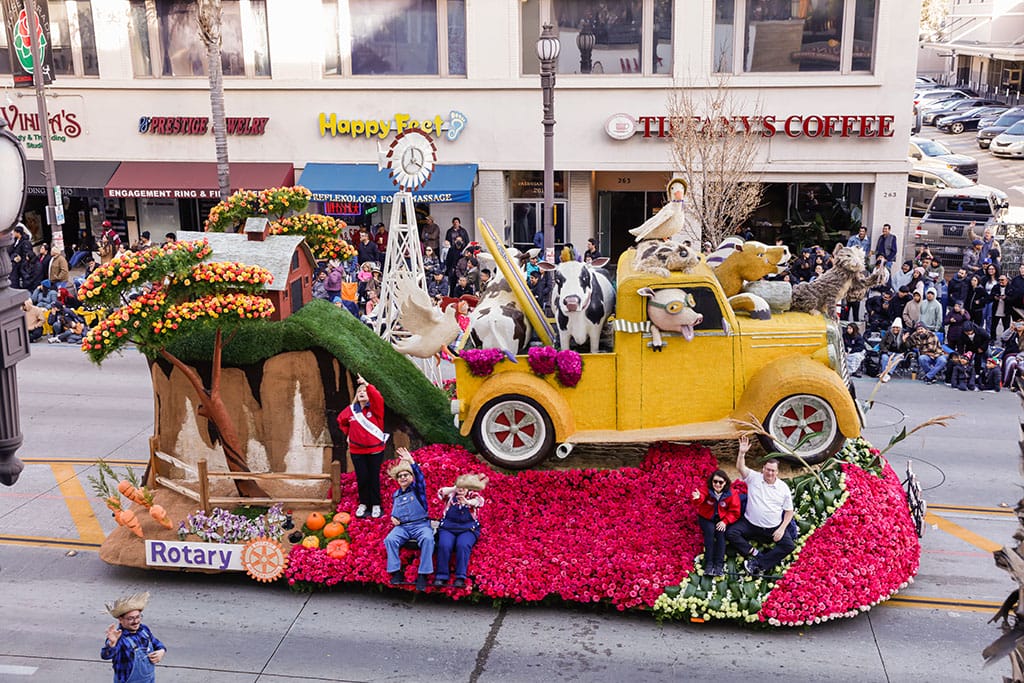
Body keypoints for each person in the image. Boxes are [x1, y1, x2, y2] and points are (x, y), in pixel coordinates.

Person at [725, 436, 795, 577]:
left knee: (788, 545)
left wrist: (781, 529)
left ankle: (759, 564)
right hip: (750, 524)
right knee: (731, 532)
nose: (769, 473)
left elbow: (789, 511)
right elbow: (740, 467)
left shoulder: (783, 488)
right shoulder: (754, 478)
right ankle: (755, 553)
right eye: (767, 469)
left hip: (772, 528)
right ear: (763, 469)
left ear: (777, 472)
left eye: (772, 471)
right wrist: (742, 453)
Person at [336, 375, 388, 519]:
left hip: (375, 451)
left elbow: (378, 397)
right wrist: (349, 435)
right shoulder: (351, 410)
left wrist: (366, 383)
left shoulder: (376, 409)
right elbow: (341, 421)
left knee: (374, 477)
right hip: (357, 451)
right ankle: (364, 503)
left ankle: (376, 504)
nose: (362, 393)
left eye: (364, 391)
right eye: (359, 391)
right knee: (362, 478)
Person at [384, 447, 435, 591]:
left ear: (411, 477)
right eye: (400, 476)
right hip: (403, 527)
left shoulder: (418, 490)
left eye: (406, 475)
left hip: (420, 525)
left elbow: (420, 479)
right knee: (390, 540)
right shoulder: (396, 494)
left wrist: (411, 461)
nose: (403, 478)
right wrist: (393, 517)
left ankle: (423, 574)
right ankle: (396, 572)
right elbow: (395, 511)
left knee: (428, 539)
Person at [434, 472, 488, 588]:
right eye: (459, 486)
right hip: (448, 528)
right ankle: (441, 576)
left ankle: (460, 577)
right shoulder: (450, 495)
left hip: (468, 529)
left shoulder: (473, 495)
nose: (461, 489)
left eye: (464, 487)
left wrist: (468, 503)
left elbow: (479, 502)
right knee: (444, 545)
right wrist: (455, 486)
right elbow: (440, 492)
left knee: (462, 545)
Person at [101, 592, 166, 683]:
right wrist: (112, 644)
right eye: (130, 618)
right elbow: (105, 655)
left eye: (138, 617)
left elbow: (156, 643)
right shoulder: (118, 638)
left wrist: (161, 651)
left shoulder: (144, 630)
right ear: (120, 619)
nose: (136, 622)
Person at [690, 468, 741, 577]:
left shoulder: (731, 494)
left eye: (720, 482)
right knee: (709, 533)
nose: (717, 484)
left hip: (722, 519)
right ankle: (709, 564)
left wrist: (725, 521)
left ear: (725, 482)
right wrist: (698, 498)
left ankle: (719, 565)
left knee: (721, 536)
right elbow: (701, 498)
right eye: (715, 481)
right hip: (707, 518)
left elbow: (735, 511)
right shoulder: (706, 489)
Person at [879, 317, 910, 383]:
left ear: (900, 328)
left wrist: (904, 341)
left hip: (899, 352)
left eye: (897, 327)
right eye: (894, 327)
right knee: (884, 357)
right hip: (888, 351)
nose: (895, 329)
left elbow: (907, 347)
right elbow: (882, 344)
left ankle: (888, 374)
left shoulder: (904, 334)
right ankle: (884, 373)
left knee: (896, 359)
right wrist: (885, 351)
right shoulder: (888, 333)